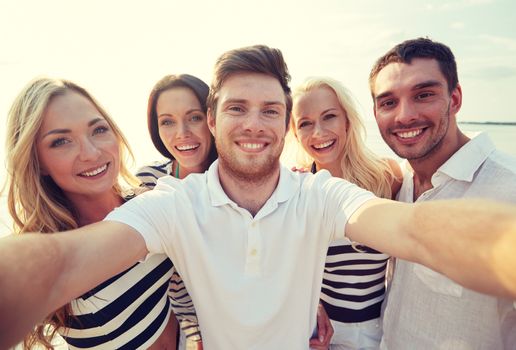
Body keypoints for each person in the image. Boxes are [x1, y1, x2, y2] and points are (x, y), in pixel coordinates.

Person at [1, 45, 516, 350]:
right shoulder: (174, 202)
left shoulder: (321, 194)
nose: (253, 125)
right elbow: (63, 260)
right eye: (238, 108)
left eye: (271, 110)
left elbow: (411, 230)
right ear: (213, 117)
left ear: (284, 121)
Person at [136, 73, 332, 349]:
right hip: (178, 324)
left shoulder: (247, 177)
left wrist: (310, 302)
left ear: (211, 119)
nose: (182, 133)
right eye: (167, 121)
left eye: (193, 117)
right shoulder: (147, 181)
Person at [4, 77, 177, 349]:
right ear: (37, 163)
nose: (91, 153)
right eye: (61, 141)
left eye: (98, 130)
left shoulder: (150, 192)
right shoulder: (57, 256)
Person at [369, 37, 516, 349]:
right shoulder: (396, 182)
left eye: (424, 95)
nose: (404, 115)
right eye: (388, 102)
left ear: (456, 98)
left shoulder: (509, 188)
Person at [290, 77, 402, 349]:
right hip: (321, 334)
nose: (318, 132)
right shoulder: (296, 190)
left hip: (383, 330)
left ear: (347, 122)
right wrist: (313, 306)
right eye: (305, 123)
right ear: (295, 133)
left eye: (329, 117)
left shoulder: (387, 177)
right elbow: (288, 270)